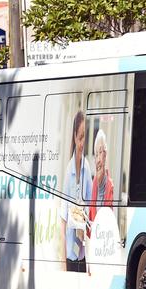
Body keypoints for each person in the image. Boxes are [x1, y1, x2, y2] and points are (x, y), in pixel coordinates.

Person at [60, 111, 93, 273]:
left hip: (82, 249)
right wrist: (62, 262)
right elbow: (63, 219)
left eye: (84, 137)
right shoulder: (68, 171)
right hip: (71, 252)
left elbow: (91, 202)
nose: (82, 143)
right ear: (74, 137)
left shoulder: (86, 167)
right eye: (80, 137)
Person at [89, 129, 114, 225]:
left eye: (100, 153)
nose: (98, 159)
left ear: (105, 154)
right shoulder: (94, 184)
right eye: (96, 154)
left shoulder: (110, 186)